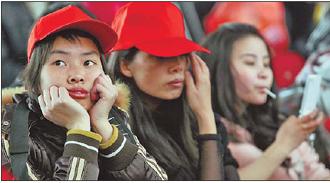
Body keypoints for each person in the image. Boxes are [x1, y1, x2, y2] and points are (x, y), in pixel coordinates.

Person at [1, 5, 167, 180]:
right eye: (59, 63)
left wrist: (103, 126)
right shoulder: (8, 131)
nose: (77, 76)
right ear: (35, 80)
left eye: (88, 62)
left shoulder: (111, 115)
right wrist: (79, 129)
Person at [108, 2, 239, 180]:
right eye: (162, 56)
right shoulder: (114, 129)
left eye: (183, 53)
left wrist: (205, 116)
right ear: (125, 65)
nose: (177, 66)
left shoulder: (198, 117)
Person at [199, 22, 330, 180]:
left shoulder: (274, 119)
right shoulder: (211, 133)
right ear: (220, 69)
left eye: (266, 64)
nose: (264, 73)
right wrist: (284, 144)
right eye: (250, 63)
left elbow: (316, 173)